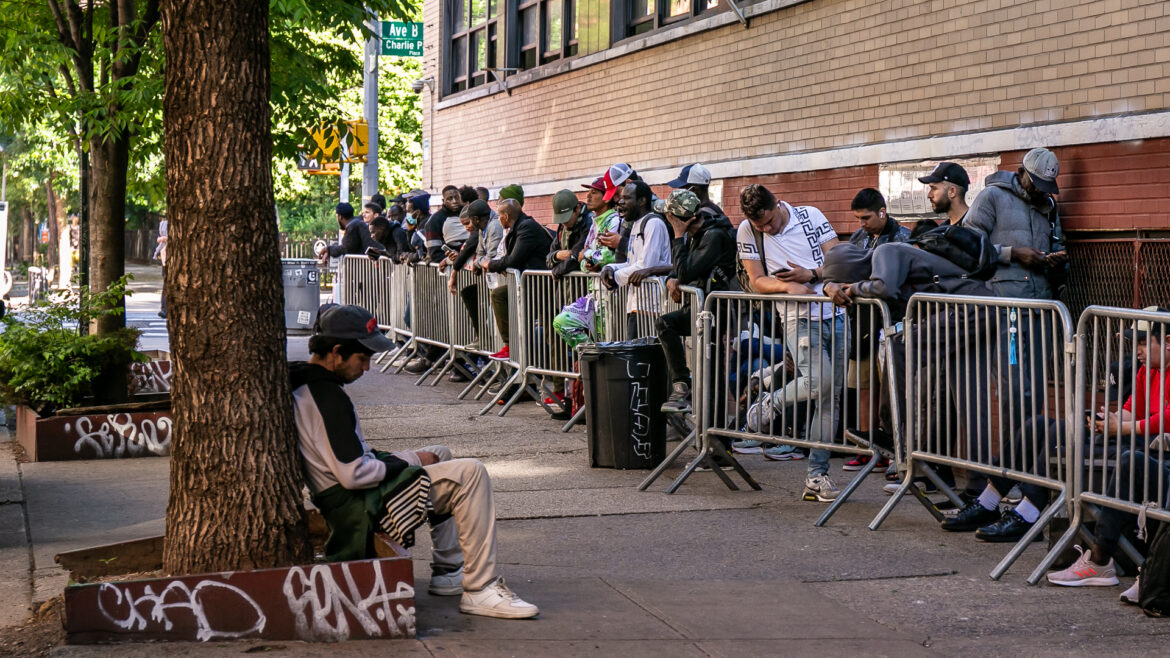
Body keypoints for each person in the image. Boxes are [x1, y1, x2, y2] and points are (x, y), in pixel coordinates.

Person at [291, 304, 538, 619]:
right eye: (362, 359)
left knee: (442, 453)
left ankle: (450, 571)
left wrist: (411, 459)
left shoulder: (309, 383)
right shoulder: (327, 398)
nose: (366, 368)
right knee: (471, 472)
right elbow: (353, 474)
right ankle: (481, 588)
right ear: (337, 352)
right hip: (356, 508)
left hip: (353, 496)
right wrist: (411, 461)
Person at [947, 313, 1170, 544]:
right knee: (1038, 424)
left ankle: (1028, 514)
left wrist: (1121, 428)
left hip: (1147, 455)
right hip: (1129, 441)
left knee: (1061, 432)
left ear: (1168, 342)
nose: (1137, 351)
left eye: (1143, 343)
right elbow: (1131, 409)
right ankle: (988, 501)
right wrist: (1107, 419)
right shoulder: (1149, 369)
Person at [963, 147, 1070, 491]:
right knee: (1013, 393)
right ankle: (1007, 477)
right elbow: (967, 247)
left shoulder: (1049, 207)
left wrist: (1056, 260)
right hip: (1005, 309)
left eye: (1046, 185)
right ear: (1021, 172)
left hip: (1040, 308)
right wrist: (1013, 253)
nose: (1041, 190)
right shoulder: (991, 197)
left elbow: (1058, 242)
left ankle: (1024, 474)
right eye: (1036, 183)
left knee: (1034, 394)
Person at [736, 183, 845, 501]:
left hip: (836, 316)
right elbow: (756, 279)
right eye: (760, 226)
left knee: (829, 397)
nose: (767, 228)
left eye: (770, 221)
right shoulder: (747, 231)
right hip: (798, 319)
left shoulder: (809, 216)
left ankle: (817, 476)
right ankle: (774, 402)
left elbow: (838, 262)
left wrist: (811, 275)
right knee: (819, 383)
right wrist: (786, 289)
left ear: (777, 204)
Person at [657, 189, 737, 415]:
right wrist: (674, 278)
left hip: (715, 313)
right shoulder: (699, 234)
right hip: (698, 310)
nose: (667, 220)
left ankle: (715, 433)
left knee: (711, 374)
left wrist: (677, 236)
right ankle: (682, 386)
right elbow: (683, 269)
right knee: (665, 324)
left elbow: (686, 270)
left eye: (671, 217)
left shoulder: (713, 236)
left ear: (683, 220)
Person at [602, 181, 672, 340]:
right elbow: (632, 263)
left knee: (643, 360)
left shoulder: (653, 223)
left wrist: (615, 278)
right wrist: (610, 268)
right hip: (636, 304)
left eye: (627, 198)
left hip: (651, 307)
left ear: (642, 201)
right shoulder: (636, 224)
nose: (622, 202)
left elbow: (647, 265)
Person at [486, 199, 552, 362]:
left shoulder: (526, 227)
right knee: (499, 295)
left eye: (499, 216)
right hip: (529, 284)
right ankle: (512, 346)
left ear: (506, 216)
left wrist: (491, 265)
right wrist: (505, 264)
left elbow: (514, 259)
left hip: (540, 286)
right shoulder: (519, 227)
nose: (498, 219)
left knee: (544, 331)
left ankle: (520, 354)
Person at [546, 189, 591, 278]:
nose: (564, 223)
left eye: (566, 218)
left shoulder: (588, 223)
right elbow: (548, 258)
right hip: (565, 287)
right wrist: (556, 256)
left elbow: (575, 257)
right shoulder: (562, 228)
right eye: (561, 219)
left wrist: (556, 271)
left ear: (577, 209)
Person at [424, 185, 465, 263]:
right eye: (450, 198)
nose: (454, 201)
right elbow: (434, 253)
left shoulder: (468, 214)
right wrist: (449, 259)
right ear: (443, 201)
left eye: (456, 197)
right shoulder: (434, 220)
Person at [155, 217, 168, 319]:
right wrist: (163, 239)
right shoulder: (163, 224)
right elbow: (159, 238)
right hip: (165, 257)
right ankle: (164, 309)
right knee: (166, 283)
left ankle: (165, 309)